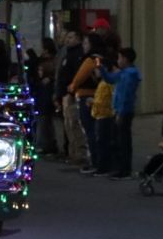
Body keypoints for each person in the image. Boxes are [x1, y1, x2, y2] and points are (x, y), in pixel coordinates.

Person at [69, 33, 107, 171]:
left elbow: (79, 77)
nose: (84, 46)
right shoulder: (102, 58)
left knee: (89, 130)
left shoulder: (90, 60)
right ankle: (100, 160)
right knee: (97, 130)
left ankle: (94, 161)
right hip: (99, 95)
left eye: (86, 43)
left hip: (86, 95)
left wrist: (72, 87)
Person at [102, 47, 142, 179]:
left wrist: (120, 112)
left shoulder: (129, 74)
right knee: (119, 139)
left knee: (123, 141)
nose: (118, 60)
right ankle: (120, 167)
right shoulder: (124, 73)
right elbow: (110, 79)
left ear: (125, 59)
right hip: (120, 110)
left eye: (119, 57)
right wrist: (101, 68)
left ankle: (124, 169)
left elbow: (126, 95)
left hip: (124, 111)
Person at [57, 30, 86, 163]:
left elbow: (75, 75)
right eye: (67, 37)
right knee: (68, 125)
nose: (68, 40)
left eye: (71, 37)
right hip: (65, 93)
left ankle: (79, 153)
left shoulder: (78, 54)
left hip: (72, 94)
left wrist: (71, 91)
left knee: (74, 124)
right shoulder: (67, 53)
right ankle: (72, 152)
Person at [34, 39, 59, 156]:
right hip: (43, 91)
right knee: (44, 119)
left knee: (44, 119)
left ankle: (45, 145)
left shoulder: (51, 62)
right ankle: (46, 144)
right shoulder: (44, 60)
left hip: (47, 92)